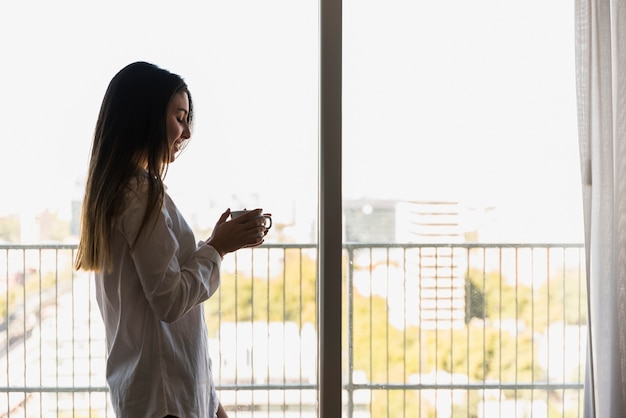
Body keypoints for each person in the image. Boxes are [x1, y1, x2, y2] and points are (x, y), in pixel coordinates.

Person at [74, 61, 269, 418]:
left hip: (159, 394)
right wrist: (217, 248)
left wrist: (210, 401)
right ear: (144, 116)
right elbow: (169, 300)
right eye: (179, 117)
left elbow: (164, 297)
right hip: (165, 400)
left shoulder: (119, 192)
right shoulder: (139, 193)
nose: (187, 132)